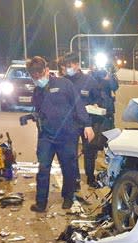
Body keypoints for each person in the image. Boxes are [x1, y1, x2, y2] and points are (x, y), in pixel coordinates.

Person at [25, 56, 93, 213]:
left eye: (39, 76)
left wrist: (87, 124)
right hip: (46, 137)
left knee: (68, 167)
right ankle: (41, 202)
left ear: (47, 70)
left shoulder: (64, 84)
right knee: (43, 169)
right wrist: (31, 116)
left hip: (67, 135)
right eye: (34, 77)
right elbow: (39, 111)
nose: (37, 80)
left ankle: (68, 197)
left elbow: (78, 104)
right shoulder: (37, 91)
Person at [60, 53, 104, 189]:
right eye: (65, 67)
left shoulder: (89, 81)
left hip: (87, 123)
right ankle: (75, 180)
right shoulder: (63, 81)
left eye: (69, 66)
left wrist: (96, 104)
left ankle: (90, 178)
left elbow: (98, 98)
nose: (67, 69)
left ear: (77, 64)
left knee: (89, 151)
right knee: (71, 153)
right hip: (70, 123)